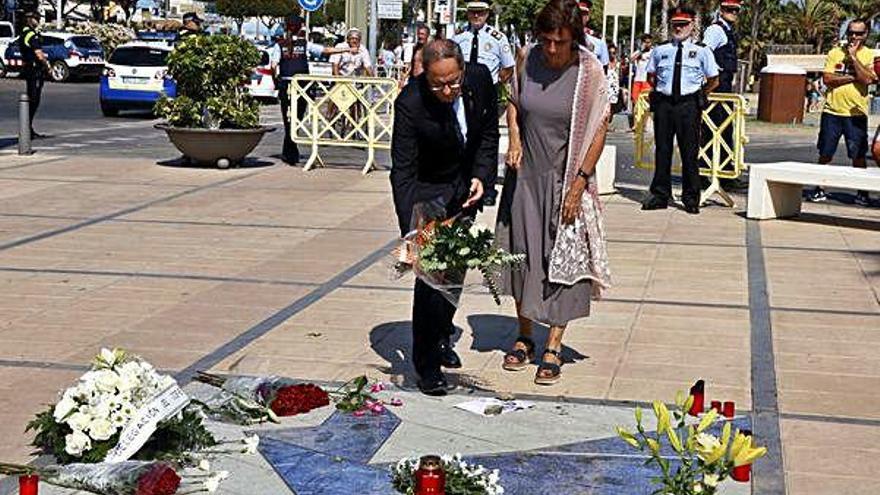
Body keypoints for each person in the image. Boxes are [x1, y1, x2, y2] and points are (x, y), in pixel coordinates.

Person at [496, 0, 611, 385]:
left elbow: (599, 128)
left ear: (574, 38)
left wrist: (579, 183)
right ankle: (525, 334)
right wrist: (514, 137)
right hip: (524, 175)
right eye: (546, 40)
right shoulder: (528, 58)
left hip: (565, 178)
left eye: (559, 42)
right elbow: (513, 102)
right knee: (520, 254)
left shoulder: (590, 71)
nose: (552, 49)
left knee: (562, 260)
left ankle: (554, 344)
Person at [390, 39, 498, 395]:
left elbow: (486, 134)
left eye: (453, 82)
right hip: (427, 192)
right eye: (438, 84)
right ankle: (426, 365)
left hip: (465, 189)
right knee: (429, 279)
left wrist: (482, 175)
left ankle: (441, 335)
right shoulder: (410, 104)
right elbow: (402, 171)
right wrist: (413, 230)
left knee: (455, 270)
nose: (447, 90)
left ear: (463, 71)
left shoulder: (480, 79)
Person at [641, 5, 719, 214]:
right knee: (663, 150)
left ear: (692, 25)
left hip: (688, 105)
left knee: (689, 152)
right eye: (675, 25)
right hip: (665, 104)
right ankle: (660, 194)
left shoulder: (702, 51)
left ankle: (691, 197)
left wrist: (701, 93)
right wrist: (659, 90)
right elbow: (651, 76)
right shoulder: (660, 50)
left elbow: (714, 79)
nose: (679, 28)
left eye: (683, 24)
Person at [453, 1, 515, 207]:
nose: (476, 16)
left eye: (480, 13)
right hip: (463, 91)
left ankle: (488, 186)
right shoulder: (459, 37)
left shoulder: (498, 38)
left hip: (486, 92)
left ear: (487, 14)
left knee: (488, 137)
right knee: (464, 134)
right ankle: (466, 178)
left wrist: (494, 85)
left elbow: (508, 68)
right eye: (473, 13)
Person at [810, 19, 878, 206]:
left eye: (859, 33)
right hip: (832, 111)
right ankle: (819, 188)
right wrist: (852, 76)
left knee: (857, 154)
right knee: (825, 152)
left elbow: (867, 80)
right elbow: (828, 79)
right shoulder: (834, 53)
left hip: (856, 114)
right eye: (851, 33)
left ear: (865, 35)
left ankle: (862, 192)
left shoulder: (870, 55)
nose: (854, 37)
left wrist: (854, 58)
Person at [276, 15, 349, 165]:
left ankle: (289, 152)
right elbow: (325, 50)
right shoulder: (305, 45)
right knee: (296, 120)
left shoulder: (279, 45)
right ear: (300, 27)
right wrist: (346, 49)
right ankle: (290, 152)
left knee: (288, 120)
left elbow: (273, 65)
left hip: (287, 87)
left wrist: (277, 83)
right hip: (302, 87)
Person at [701, 0, 743, 190]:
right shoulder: (716, 30)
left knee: (724, 128)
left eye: (736, 10)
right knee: (712, 129)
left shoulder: (727, 30)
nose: (733, 13)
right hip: (717, 85)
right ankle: (704, 172)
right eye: (729, 9)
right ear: (721, 10)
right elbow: (705, 51)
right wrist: (713, 76)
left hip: (724, 85)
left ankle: (724, 172)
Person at [20, 11, 48, 139]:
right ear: (30, 20)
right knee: (33, 100)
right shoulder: (31, 35)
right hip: (34, 70)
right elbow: (39, 54)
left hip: (29, 69)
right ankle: (27, 129)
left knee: (32, 99)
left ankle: (28, 128)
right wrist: (48, 65)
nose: (38, 21)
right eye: (36, 19)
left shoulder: (24, 33)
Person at [576, 0, 609, 70]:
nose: (579, 17)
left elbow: (604, 73)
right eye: (576, 13)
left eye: (583, 14)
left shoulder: (599, 44)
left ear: (587, 17)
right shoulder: (559, 41)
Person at [630, 33, 654, 108]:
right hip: (638, 79)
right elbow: (631, 59)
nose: (647, 44)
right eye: (645, 42)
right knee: (635, 100)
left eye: (649, 42)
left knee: (646, 102)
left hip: (647, 80)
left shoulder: (653, 52)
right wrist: (641, 51)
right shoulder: (639, 52)